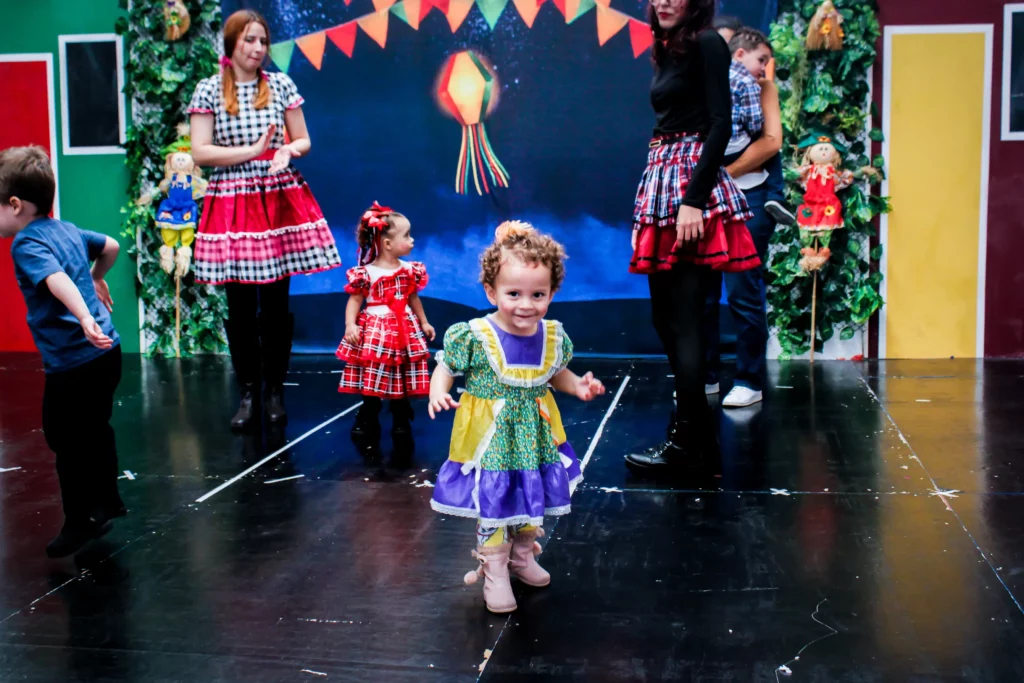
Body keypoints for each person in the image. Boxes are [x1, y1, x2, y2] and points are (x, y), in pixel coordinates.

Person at [427, 222, 606, 614]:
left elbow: (555, 374)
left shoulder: (551, 336)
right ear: (491, 292)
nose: (526, 305)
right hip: (491, 435)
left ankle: (522, 555)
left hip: (534, 433)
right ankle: (494, 568)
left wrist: (578, 386)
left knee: (530, 490)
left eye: (537, 295)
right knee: (495, 497)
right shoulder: (475, 335)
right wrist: (438, 391)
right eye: (513, 294)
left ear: (552, 293)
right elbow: (446, 367)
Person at [188, 9, 341, 430]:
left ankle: (274, 390)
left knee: (275, 303)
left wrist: (287, 150)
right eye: (249, 40)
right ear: (231, 44)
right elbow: (200, 151)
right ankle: (248, 391)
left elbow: (303, 139)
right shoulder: (209, 89)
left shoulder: (279, 84)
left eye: (262, 41)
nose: (258, 49)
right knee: (239, 305)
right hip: (232, 201)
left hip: (275, 197)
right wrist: (252, 151)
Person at [625, 0, 760, 474]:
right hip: (663, 175)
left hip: (688, 182)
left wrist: (694, 200)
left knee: (683, 318)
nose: (664, 1)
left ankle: (689, 442)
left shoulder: (707, 42)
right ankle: (697, 431)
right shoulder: (670, 48)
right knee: (667, 318)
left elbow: (720, 123)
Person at [0, 146, 126, 558]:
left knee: (63, 437)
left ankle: (78, 521)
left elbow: (56, 280)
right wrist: (97, 278)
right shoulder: (67, 229)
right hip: (108, 353)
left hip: (74, 360)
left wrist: (84, 317)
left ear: (15, 205)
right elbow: (111, 246)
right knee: (96, 428)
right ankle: (105, 503)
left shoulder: (26, 243)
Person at [704, 28, 784, 408]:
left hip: (748, 196)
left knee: (742, 292)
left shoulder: (761, 87)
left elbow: (770, 142)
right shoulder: (702, 82)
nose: (764, 68)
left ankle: (749, 380)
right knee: (703, 295)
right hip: (706, 199)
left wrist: (720, 174)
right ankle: (705, 376)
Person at [336, 202, 435, 462]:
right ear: (388, 244)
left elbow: (413, 298)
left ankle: (401, 418)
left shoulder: (409, 270)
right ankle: (368, 415)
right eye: (407, 236)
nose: (412, 240)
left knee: (402, 373)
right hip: (377, 328)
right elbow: (355, 300)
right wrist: (350, 325)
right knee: (375, 375)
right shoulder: (366, 273)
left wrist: (424, 322)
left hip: (404, 326)